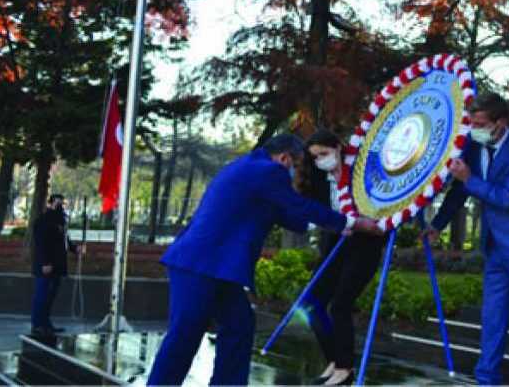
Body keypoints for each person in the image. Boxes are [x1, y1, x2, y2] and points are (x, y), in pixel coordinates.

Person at [146, 134, 382, 386]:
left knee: (239, 327)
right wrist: (354, 222)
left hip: (219, 268)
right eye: (294, 166)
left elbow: (289, 215)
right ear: (284, 158)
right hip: (200, 265)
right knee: (185, 335)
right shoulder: (269, 171)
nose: (292, 172)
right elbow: (297, 206)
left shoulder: (247, 168)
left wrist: (337, 224)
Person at [424, 93, 509, 385]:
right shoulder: (471, 146)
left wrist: (469, 178)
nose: (473, 128)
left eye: (480, 123)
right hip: (495, 248)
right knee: (492, 320)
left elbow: (507, 198)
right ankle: (486, 380)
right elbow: (459, 191)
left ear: (501, 123)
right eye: (471, 122)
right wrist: (438, 224)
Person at [298, 128, 387, 386]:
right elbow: (318, 212)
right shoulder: (319, 178)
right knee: (312, 303)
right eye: (315, 157)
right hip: (335, 242)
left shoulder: (362, 170)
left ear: (338, 146)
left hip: (365, 243)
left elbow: (382, 202)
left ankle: (345, 368)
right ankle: (335, 360)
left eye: (324, 153)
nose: (320, 160)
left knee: (340, 304)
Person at [31, 194, 81, 335]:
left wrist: (75, 248)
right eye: (57, 203)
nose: (60, 206)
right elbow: (41, 244)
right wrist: (45, 263)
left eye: (62, 204)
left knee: (49, 297)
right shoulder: (43, 220)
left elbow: (64, 240)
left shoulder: (60, 222)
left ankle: (46, 323)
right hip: (46, 266)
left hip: (57, 266)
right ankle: (37, 324)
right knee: (41, 296)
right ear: (50, 203)